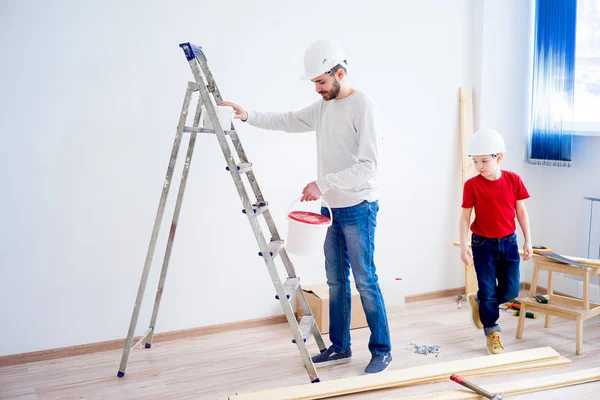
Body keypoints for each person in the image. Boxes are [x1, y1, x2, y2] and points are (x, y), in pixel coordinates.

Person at [222, 39, 391, 374]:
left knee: (364, 280)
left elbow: (370, 165)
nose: (317, 89)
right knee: (335, 281)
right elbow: (289, 120)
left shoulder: (363, 106)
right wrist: (248, 115)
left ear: (339, 73)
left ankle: (382, 350)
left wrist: (322, 183)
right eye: (314, 82)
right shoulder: (324, 106)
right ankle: (340, 348)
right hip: (331, 209)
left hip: (359, 206)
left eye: (321, 82)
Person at [459, 128, 533, 354]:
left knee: (511, 292)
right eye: (475, 162)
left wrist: (528, 241)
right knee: (489, 289)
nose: (479, 166)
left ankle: (480, 301)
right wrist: (464, 246)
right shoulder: (472, 185)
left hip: (509, 243)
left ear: (498, 157)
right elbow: (464, 217)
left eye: (483, 161)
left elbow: (521, 212)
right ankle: (492, 331)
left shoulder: (513, 180)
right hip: (483, 245)